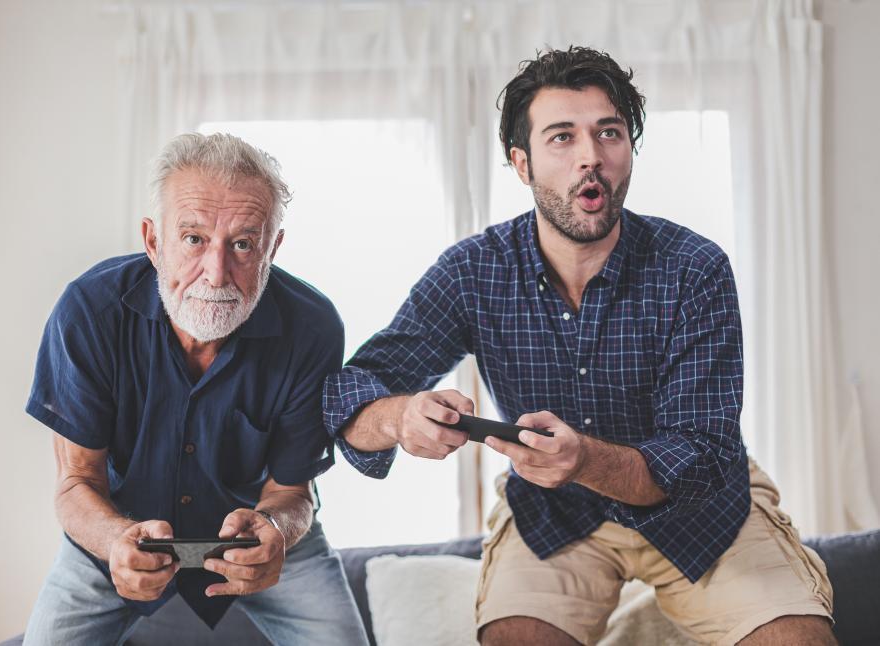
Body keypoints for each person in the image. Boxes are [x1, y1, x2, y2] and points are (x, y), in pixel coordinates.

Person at [324, 46, 836, 645]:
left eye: (608, 133)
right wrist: (400, 417)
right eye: (562, 137)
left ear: (630, 152)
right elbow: (352, 391)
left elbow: (701, 454)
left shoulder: (694, 268)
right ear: (522, 162)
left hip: (703, 516)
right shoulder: (473, 271)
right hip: (552, 516)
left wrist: (586, 459)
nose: (590, 157)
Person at [23, 133, 370, 646]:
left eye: (243, 244)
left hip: (261, 531)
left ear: (272, 247)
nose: (216, 272)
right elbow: (77, 482)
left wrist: (275, 529)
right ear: (153, 240)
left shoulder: (313, 328)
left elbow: (292, 492)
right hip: (115, 526)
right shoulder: (88, 312)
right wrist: (116, 540)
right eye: (193, 239)